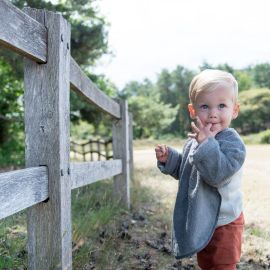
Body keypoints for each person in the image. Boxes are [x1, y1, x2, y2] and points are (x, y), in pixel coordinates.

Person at [155, 69, 246, 270]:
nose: (213, 113)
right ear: (193, 110)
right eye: (205, 106)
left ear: (235, 110)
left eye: (222, 105)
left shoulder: (233, 143)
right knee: (206, 263)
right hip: (201, 219)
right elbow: (188, 173)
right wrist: (170, 159)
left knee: (223, 265)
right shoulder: (195, 141)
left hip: (225, 221)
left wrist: (206, 145)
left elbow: (217, 175)